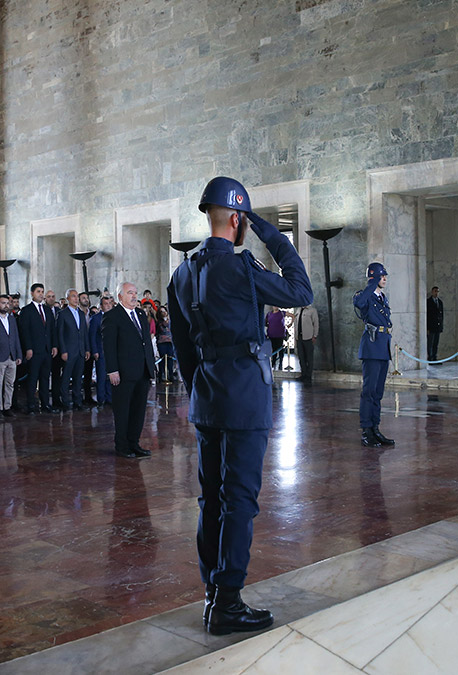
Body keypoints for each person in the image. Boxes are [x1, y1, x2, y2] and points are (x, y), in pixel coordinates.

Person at [167, 176, 312, 636]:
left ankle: (213, 594)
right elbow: (301, 291)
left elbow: (183, 349)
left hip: (207, 398)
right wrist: (271, 233)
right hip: (245, 397)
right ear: (237, 219)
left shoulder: (183, 273)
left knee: (210, 498)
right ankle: (228, 603)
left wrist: (200, 390)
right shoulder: (241, 267)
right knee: (240, 500)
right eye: (245, 220)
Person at [102, 282, 156, 459]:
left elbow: (146, 342)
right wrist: (112, 370)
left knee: (138, 411)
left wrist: (151, 366)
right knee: (123, 410)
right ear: (120, 297)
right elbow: (109, 346)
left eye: (135, 292)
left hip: (142, 371)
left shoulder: (140, 314)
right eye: (130, 293)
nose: (134, 296)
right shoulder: (112, 316)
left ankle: (134, 443)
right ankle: (122, 445)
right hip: (123, 373)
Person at [354, 262, 395, 448]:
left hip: (382, 347)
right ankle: (366, 431)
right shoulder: (365, 296)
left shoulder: (382, 298)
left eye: (385, 276)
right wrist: (371, 284)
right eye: (381, 276)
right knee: (369, 392)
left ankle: (375, 428)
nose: (384, 279)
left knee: (378, 392)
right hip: (371, 348)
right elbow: (359, 303)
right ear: (374, 277)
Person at [18, 283, 57, 413]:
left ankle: (45, 404)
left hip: (47, 350)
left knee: (45, 378)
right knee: (32, 378)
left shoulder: (47, 310)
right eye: (38, 291)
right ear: (32, 293)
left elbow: (52, 330)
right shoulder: (26, 310)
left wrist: (54, 345)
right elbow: (25, 331)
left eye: (42, 291)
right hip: (34, 350)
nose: (41, 294)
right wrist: (28, 348)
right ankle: (31, 404)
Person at [0, 294, 23, 417]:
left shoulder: (12, 319)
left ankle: (7, 406)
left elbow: (16, 338)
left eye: (7, 303)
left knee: (10, 383)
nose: (6, 305)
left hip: (12, 356)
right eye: (3, 303)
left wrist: (19, 355)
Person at [56, 288, 91, 410]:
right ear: (67, 299)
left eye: (77, 296)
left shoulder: (81, 313)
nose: (76, 299)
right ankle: (65, 402)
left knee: (78, 378)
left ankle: (78, 402)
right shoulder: (62, 314)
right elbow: (60, 334)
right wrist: (63, 351)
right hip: (69, 351)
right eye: (73, 296)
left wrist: (87, 349)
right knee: (66, 377)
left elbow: (84, 333)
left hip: (80, 350)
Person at [90, 294, 114, 407]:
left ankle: (110, 398)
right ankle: (101, 399)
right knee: (101, 376)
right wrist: (95, 351)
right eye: (105, 304)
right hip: (101, 352)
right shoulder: (96, 318)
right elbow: (92, 336)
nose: (108, 306)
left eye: (109, 304)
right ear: (101, 306)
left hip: (113, 352)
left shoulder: (115, 317)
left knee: (111, 376)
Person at [296, 303, 319, 385]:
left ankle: (308, 376)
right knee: (301, 357)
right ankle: (303, 374)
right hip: (299, 337)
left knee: (309, 358)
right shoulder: (298, 310)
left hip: (308, 337)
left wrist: (315, 335)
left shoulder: (312, 310)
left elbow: (316, 324)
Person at [265, 307, 287, 371]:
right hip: (271, 335)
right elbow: (266, 322)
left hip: (280, 335)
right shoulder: (269, 314)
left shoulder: (282, 313)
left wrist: (290, 324)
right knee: (273, 349)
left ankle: (280, 363)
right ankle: (273, 363)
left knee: (280, 350)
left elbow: (292, 316)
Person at [426, 286, 444, 362]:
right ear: (432, 292)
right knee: (430, 343)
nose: (436, 293)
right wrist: (427, 328)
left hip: (437, 326)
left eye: (437, 291)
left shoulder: (440, 302)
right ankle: (430, 357)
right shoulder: (428, 302)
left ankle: (434, 357)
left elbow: (441, 315)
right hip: (431, 327)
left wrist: (441, 326)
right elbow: (427, 316)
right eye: (435, 291)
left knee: (436, 343)